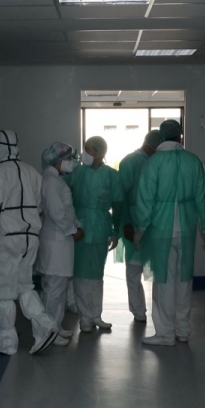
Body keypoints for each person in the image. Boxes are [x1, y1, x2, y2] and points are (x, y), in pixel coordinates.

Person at [0, 130, 59, 355]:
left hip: (6, 239)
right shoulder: (32, 172)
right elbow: (40, 204)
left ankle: (6, 341)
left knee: (3, 291)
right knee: (24, 285)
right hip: (30, 239)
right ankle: (44, 324)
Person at [134, 120, 205, 346]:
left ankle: (165, 333)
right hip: (186, 230)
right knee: (184, 279)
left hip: (160, 230)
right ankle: (183, 330)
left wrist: (140, 228)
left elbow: (145, 198)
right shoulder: (193, 161)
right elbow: (203, 196)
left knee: (163, 281)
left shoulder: (154, 162)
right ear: (180, 136)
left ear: (161, 137)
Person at [67, 136, 123, 332]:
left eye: (88, 149)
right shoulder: (77, 172)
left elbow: (118, 204)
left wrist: (115, 231)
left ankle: (96, 315)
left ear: (99, 152)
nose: (84, 153)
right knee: (81, 274)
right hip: (80, 227)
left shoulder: (112, 175)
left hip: (101, 227)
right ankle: (84, 317)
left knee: (96, 275)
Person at [38, 142, 85, 346]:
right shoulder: (51, 181)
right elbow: (56, 212)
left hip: (60, 241)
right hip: (56, 241)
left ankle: (55, 326)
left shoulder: (55, 179)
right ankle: (48, 332)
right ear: (57, 160)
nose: (71, 162)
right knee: (53, 290)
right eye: (68, 158)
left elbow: (66, 210)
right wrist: (73, 230)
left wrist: (76, 225)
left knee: (59, 288)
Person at [119, 130, 162, 322]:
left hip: (156, 223)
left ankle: (161, 313)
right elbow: (121, 195)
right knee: (134, 270)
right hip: (134, 222)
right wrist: (126, 222)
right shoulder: (130, 162)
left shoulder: (158, 161)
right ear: (153, 145)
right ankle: (138, 310)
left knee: (159, 271)